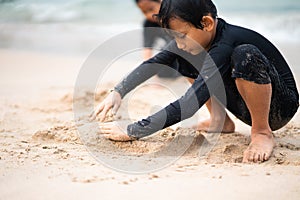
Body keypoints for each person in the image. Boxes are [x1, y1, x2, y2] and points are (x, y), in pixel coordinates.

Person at [91, 0, 299, 163]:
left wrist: (134, 130)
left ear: (206, 23)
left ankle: (262, 132)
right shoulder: (195, 41)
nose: (179, 44)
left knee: (245, 54)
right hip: (244, 104)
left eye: (182, 36)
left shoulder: (226, 43)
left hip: (279, 106)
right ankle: (220, 120)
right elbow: (156, 62)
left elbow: (190, 104)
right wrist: (118, 91)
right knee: (184, 57)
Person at [135, 0, 180, 79]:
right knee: (163, 72)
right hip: (171, 51)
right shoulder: (149, 24)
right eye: (144, 12)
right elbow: (147, 48)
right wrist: (148, 71)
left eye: (151, 9)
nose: (149, 15)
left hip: (188, 48)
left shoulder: (177, 15)